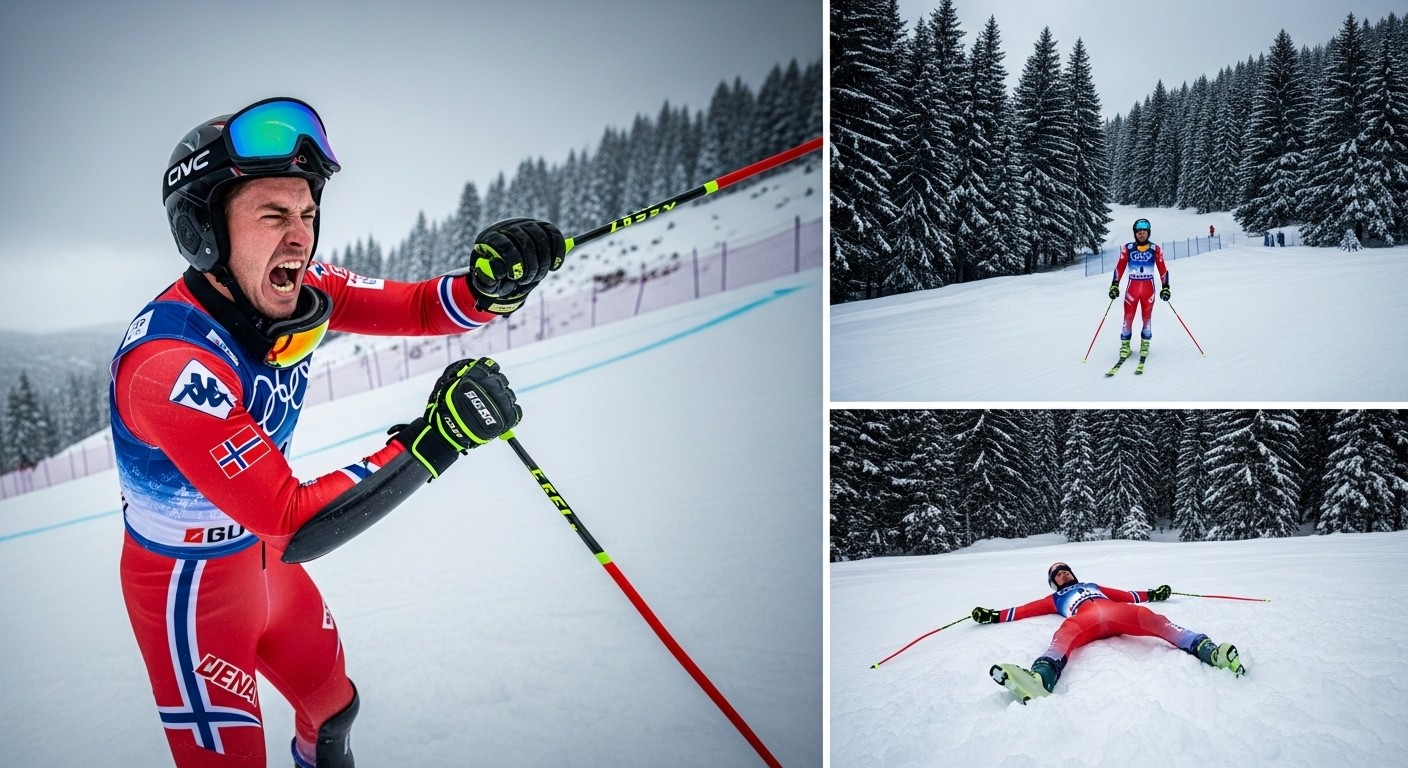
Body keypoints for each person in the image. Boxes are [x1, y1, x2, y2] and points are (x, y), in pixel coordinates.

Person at [113, 97, 567, 767]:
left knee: (333, 712)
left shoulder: (302, 291)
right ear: (202, 233)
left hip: (261, 567)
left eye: (307, 213)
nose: (300, 237)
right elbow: (290, 519)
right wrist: (436, 439)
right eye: (273, 215)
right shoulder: (169, 366)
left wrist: (489, 288)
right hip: (188, 596)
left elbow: (418, 305)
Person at [975, 562, 1245, 700]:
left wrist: (1154, 593)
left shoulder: (1094, 585)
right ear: (1053, 582)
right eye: (1057, 574)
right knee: (1063, 636)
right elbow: (1023, 610)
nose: (1063, 574)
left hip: (1118, 612)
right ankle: (1039, 680)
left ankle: (1210, 652)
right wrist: (992, 616)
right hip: (1084, 620)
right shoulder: (1055, 599)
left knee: (1156, 621)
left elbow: (1126, 594)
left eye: (1065, 570)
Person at [1107, 218, 1170, 360]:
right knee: (1128, 316)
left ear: (1149, 233)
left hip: (1148, 289)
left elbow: (1163, 270)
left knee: (1146, 317)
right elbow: (1119, 268)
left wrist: (1165, 287)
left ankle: (1145, 344)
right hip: (1132, 289)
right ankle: (1125, 345)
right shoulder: (1127, 248)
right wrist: (1114, 285)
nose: (1141, 234)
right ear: (1134, 234)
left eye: (1144, 232)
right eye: (1138, 232)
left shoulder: (1155, 249)